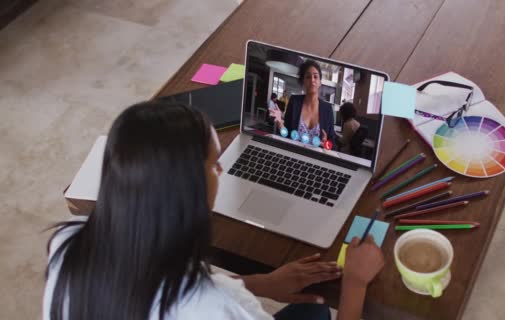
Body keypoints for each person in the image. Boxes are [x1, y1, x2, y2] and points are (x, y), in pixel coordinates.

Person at [44, 101, 384, 320]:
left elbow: (163, 285)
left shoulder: (68, 244)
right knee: (318, 313)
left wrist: (260, 283)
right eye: (213, 164)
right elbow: (203, 300)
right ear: (188, 191)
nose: (221, 169)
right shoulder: (218, 311)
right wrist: (354, 283)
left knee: (312, 313)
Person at [269, 60, 336, 149]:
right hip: (293, 153)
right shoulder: (294, 101)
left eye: (315, 77)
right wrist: (280, 123)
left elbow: (333, 144)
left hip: (317, 158)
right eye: (308, 77)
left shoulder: (327, 109)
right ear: (303, 81)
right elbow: (286, 135)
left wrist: (326, 143)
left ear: (320, 82)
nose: (312, 80)